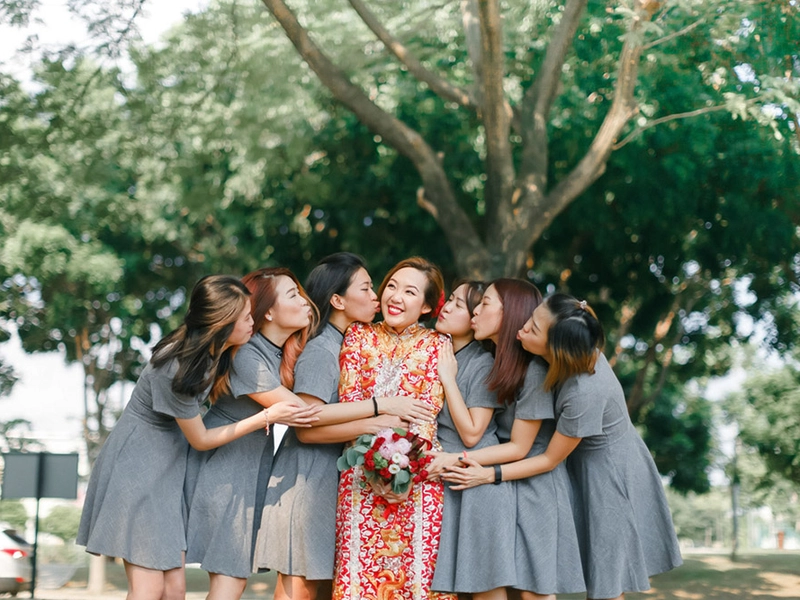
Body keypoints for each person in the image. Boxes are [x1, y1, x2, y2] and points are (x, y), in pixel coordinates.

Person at [446, 293, 683, 600]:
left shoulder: (584, 391)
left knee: (606, 583)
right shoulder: (563, 350)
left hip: (609, 475)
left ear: (556, 348)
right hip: (580, 466)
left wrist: (489, 474)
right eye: (529, 320)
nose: (522, 330)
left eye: (532, 330)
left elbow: (548, 459)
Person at [77, 275, 295, 600]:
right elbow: (201, 439)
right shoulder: (176, 364)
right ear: (222, 323)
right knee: (149, 589)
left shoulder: (211, 355)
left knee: (175, 590)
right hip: (138, 468)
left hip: (168, 472)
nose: (253, 322)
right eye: (245, 317)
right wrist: (265, 417)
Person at [254, 253, 433, 600]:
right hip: (305, 484)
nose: (376, 297)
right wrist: (376, 418)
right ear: (338, 300)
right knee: (299, 592)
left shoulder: (352, 344)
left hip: (325, 483)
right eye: (366, 288)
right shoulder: (323, 351)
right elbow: (306, 427)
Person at [438, 279, 584, 600]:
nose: (477, 309)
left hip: (535, 485)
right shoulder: (499, 362)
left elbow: (520, 446)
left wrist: (454, 460)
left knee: (533, 592)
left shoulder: (530, 370)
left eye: (486, 302)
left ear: (509, 313)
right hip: (505, 479)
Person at [183, 268, 322, 600]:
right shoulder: (248, 355)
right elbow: (303, 414)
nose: (305, 301)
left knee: (232, 580)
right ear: (269, 311)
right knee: (229, 581)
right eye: (293, 295)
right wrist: (379, 409)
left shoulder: (277, 352)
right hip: (224, 466)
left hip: (245, 465)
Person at [332, 257, 456, 600]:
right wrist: (376, 469)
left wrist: (408, 470)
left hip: (420, 483)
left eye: (410, 291)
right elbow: (348, 402)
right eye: (391, 286)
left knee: (419, 583)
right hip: (360, 478)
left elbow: (428, 416)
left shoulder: (438, 345)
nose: (396, 296)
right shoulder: (358, 336)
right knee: (360, 581)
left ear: (428, 305)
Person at [428, 281, 518, 599]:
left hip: (478, 482)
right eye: (448, 300)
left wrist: (448, 379)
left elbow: (471, 432)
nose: (447, 307)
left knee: (485, 588)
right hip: (447, 480)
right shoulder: (435, 351)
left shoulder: (480, 363)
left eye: (458, 305)